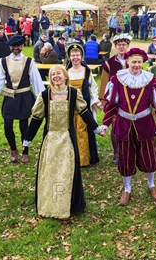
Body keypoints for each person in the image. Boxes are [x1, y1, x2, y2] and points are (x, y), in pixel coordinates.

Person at [25, 65, 99, 218]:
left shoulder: (73, 94)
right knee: (49, 172)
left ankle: (67, 205)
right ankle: (48, 206)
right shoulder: (45, 96)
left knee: (66, 171)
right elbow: (36, 119)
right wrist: (27, 140)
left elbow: (84, 112)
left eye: (58, 73)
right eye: (52, 74)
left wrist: (96, 128)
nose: (55, 76)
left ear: (66, 76)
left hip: (67, 139)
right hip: (50, 139)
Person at [99, 48, 156, 206]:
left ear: (143, 63)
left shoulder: (151, 81)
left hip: (145, 124)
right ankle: (127, 189)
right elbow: (111, 106)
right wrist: (105, 124)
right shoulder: (118, 80)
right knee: (125, 157)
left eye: (139, 62)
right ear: (127, 62)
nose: (136, 64)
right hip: (124, 124)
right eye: (133, 61)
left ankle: (152, 185)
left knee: (149, 156)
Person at [0, 35, 45, 163]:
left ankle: (25, 150)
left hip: (24, 97)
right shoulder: (3, 61)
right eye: (14, 46)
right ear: (10, 47)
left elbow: (36, 81)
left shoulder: (29, 61)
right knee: (8, 125)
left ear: (22, 46)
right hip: (10, 96)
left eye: (18, 46)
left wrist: (44, 98)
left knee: (23, 126)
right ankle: (13, 150)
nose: (16, 48)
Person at [65, 43, 102, 166]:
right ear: (69, 57)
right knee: (70, 132)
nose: (75, 57)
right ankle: (72, 158)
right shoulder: (66, 72)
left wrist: (95, 100)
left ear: (81, 56)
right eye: (73, 55)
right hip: (70, 108)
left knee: (84, 131)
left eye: (77, 55)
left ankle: (85, 158)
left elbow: (93, 87)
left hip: (83, 107)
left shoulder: (86, 71)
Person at [99, 33, 132, 164]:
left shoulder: (133, 60)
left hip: (131, 99)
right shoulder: (109, 63)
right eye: (119, 45)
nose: (122, 47)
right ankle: (117, 153)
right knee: (115, 126)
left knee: (129, 125)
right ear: (116, 46)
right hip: (114, 99)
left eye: (124, 45)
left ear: (128, 46)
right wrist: (102, 100)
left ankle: (128, 151)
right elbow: (104, 82)